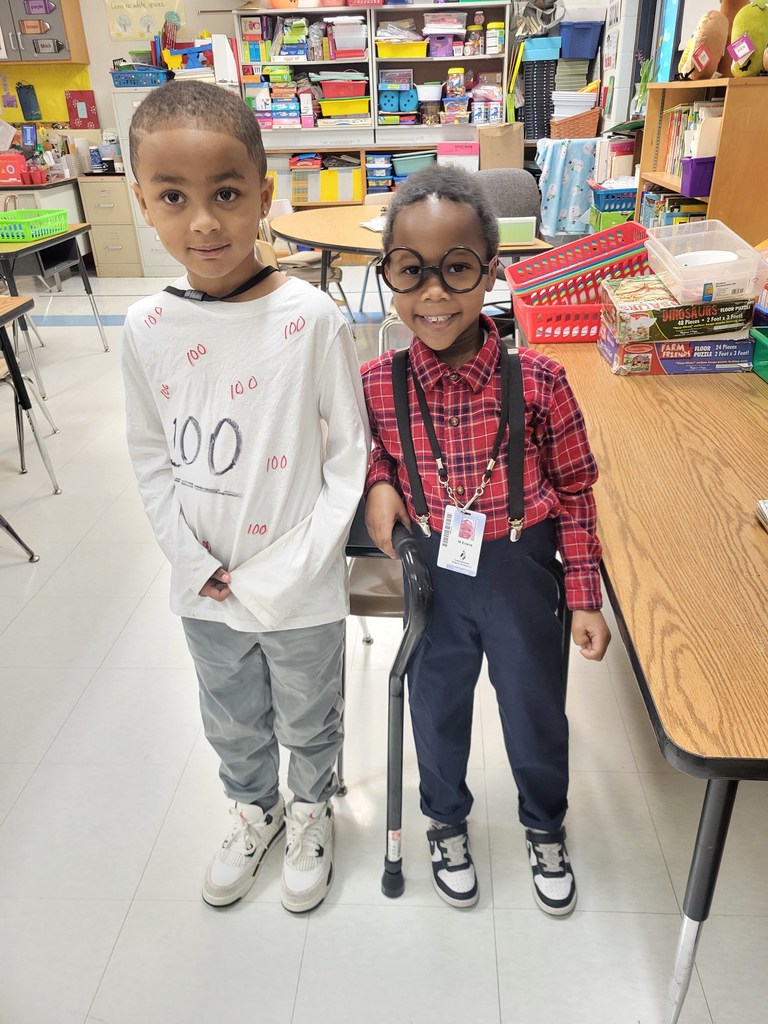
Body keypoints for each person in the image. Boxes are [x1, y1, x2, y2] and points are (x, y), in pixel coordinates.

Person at [121, 80, 370, 913]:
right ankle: (253, 810)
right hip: (203, 584)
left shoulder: (314, 318)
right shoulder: (146, 328)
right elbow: (150, 453)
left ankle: (309, 812)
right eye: (174, 198)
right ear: (144, 205)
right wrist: (191, 560)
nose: (203, 222)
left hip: (297, 586)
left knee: (308, 711)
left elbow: (348, 460)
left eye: (226, 194)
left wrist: (295, 566)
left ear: (265, 194)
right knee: (230, 715)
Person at [361, 165, 611, 915]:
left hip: (519, 566)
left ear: (489, 274)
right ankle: (444, 820)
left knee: (533, 703)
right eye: (411, 272)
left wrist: (585, 597)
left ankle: (544, 824)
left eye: (457, 270)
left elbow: (575, 490)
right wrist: (379, 481)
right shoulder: (379, 380)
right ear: (388, 276)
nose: (434, 294)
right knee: (436, 704)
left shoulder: (539, 379)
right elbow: (377, 451)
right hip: (433, 569)